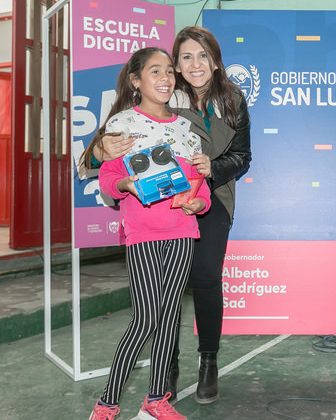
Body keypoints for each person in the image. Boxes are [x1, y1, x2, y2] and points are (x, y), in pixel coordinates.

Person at [96, 26, 252, 404]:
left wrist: (211, 168)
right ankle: (168, 367)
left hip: (213, 198)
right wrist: (100, 147)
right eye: (185, 57)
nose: (194, 64)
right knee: (164, 298)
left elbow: (243, 157)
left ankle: (208, 362)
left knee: (205, 278)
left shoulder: (232, 99)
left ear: (215, 61)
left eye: (202, 55)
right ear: (176, 64)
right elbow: (108, 149)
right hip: (159, 209)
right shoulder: (165, 93)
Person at [84, 47, 212, 420]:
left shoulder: (186, 130)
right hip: (142, 233)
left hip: (182, 233)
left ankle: (157, 399)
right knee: (145, 318)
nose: (166, 78)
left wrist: (196, 205)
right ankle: (107, 403)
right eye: (155, 71)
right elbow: (108, 180)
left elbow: (199, 190)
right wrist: (126, 181)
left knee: (170, 315)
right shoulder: (122, 124)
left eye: (170, 71)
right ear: (136, 81)